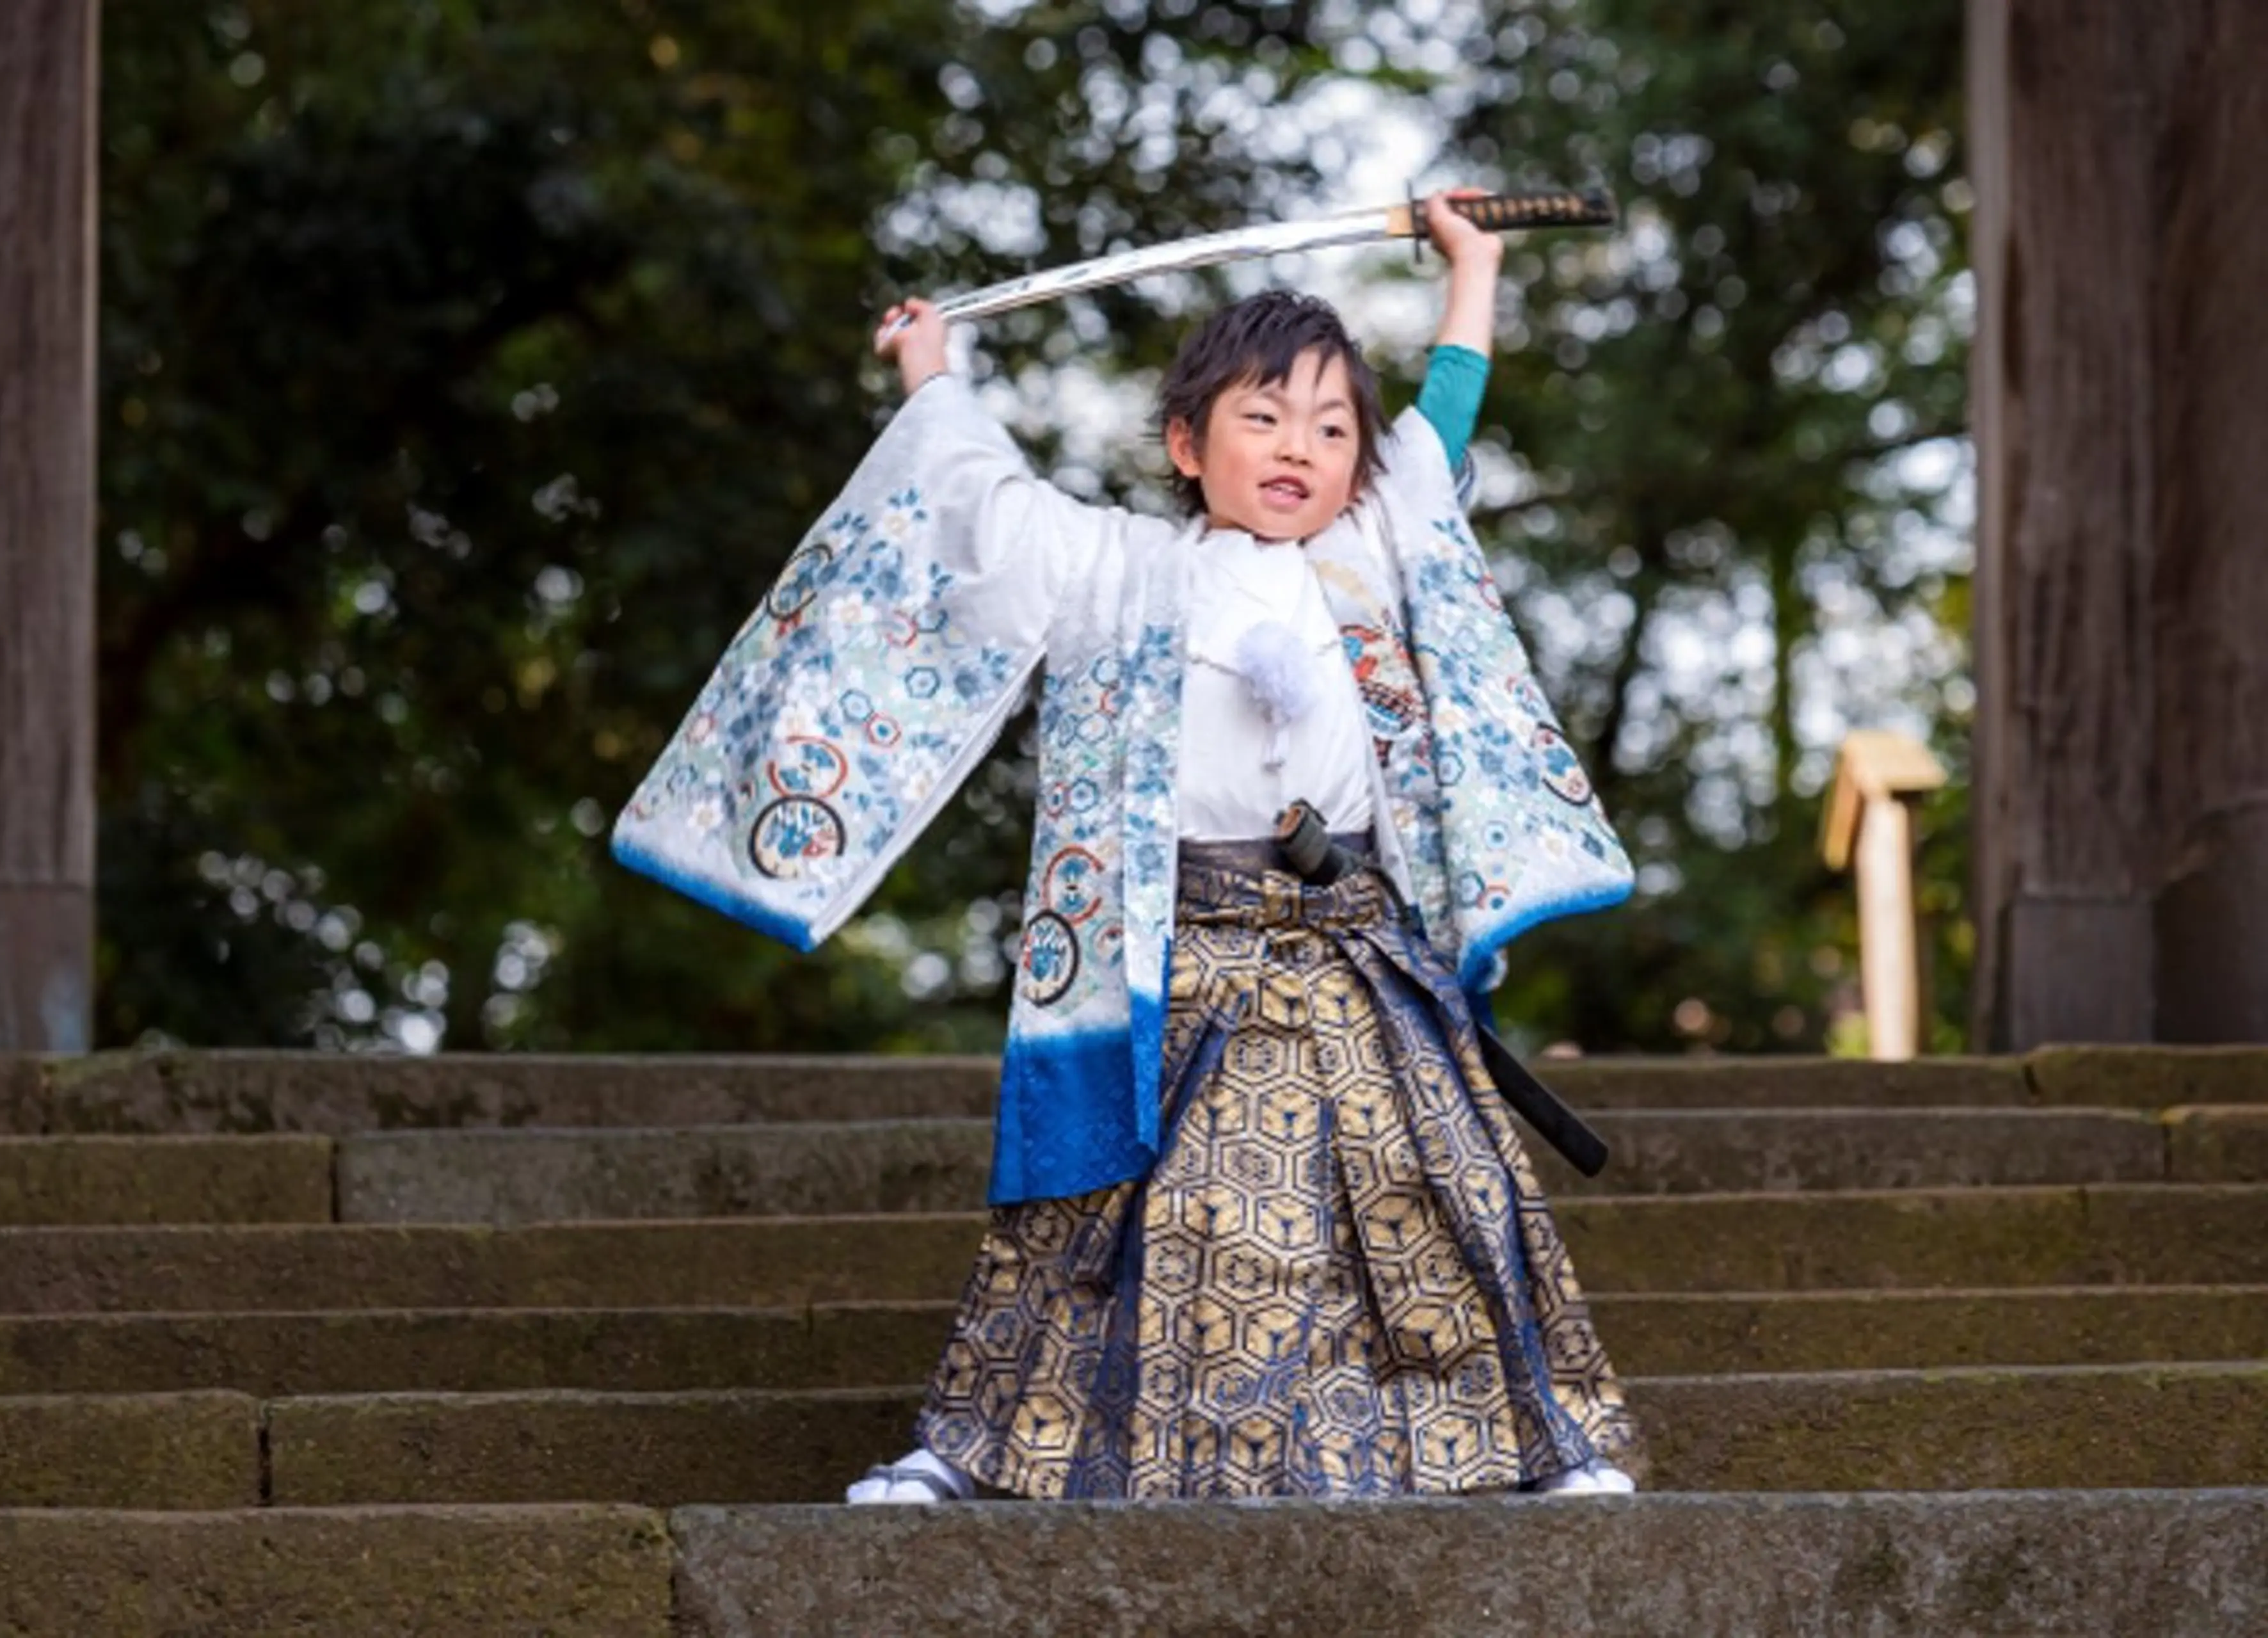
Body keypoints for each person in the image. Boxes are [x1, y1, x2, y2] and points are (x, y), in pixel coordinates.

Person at [613, 191, 1639, 1502]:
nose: (1300, 448)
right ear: (1184, 442)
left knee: (1434, 1189)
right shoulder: (1114, 568)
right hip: (1170, 954)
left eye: (1332, 429)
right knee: (1091, 1209)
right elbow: (975, 499)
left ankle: (1524, 1447)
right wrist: (933, 371)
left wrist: (1472, 273)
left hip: (1355, 949)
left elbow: (1439, 434)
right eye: (1261, 418)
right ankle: (980, 1449)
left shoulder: (1374, 552)